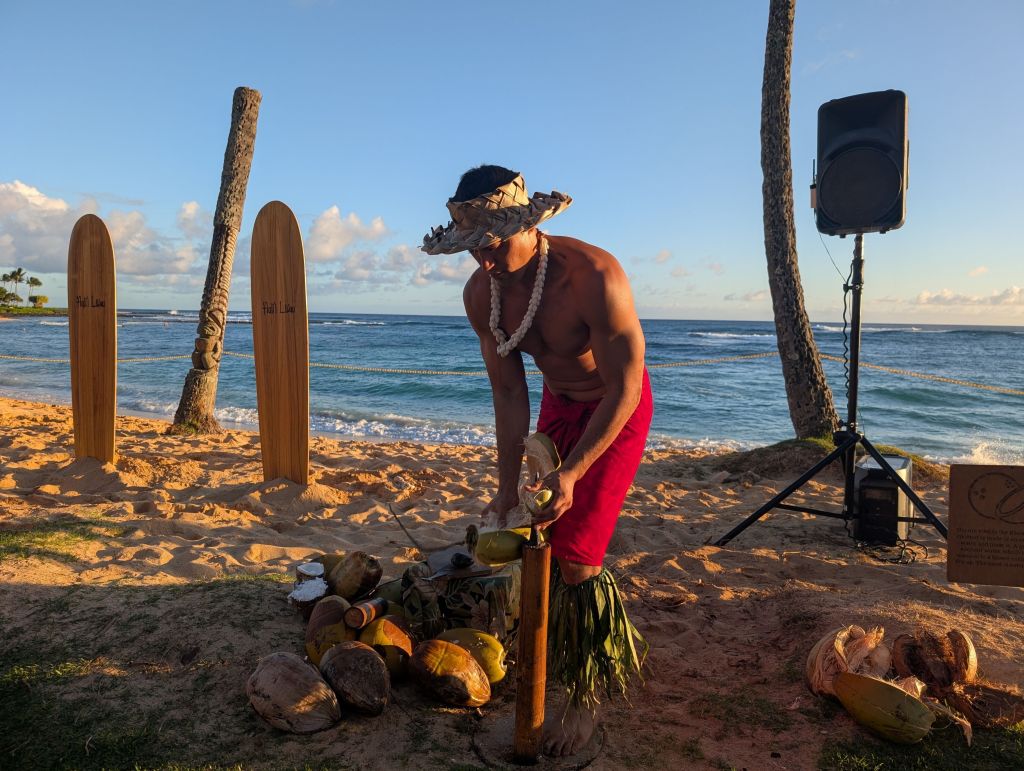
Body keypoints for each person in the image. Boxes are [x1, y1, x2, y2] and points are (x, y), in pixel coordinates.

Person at [422, 165, 652, 757]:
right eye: (474, 247)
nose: (486, 259)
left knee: (578, 558)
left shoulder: (592, 276)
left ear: (528, 224)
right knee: (539, 540)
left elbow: (626, 387)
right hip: (557, 404)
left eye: (494, 242)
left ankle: (586, 696)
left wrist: (573, 472)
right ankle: (550, 658)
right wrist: (503, 488)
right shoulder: (482, 294)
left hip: (614, 410)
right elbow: (507, 393)